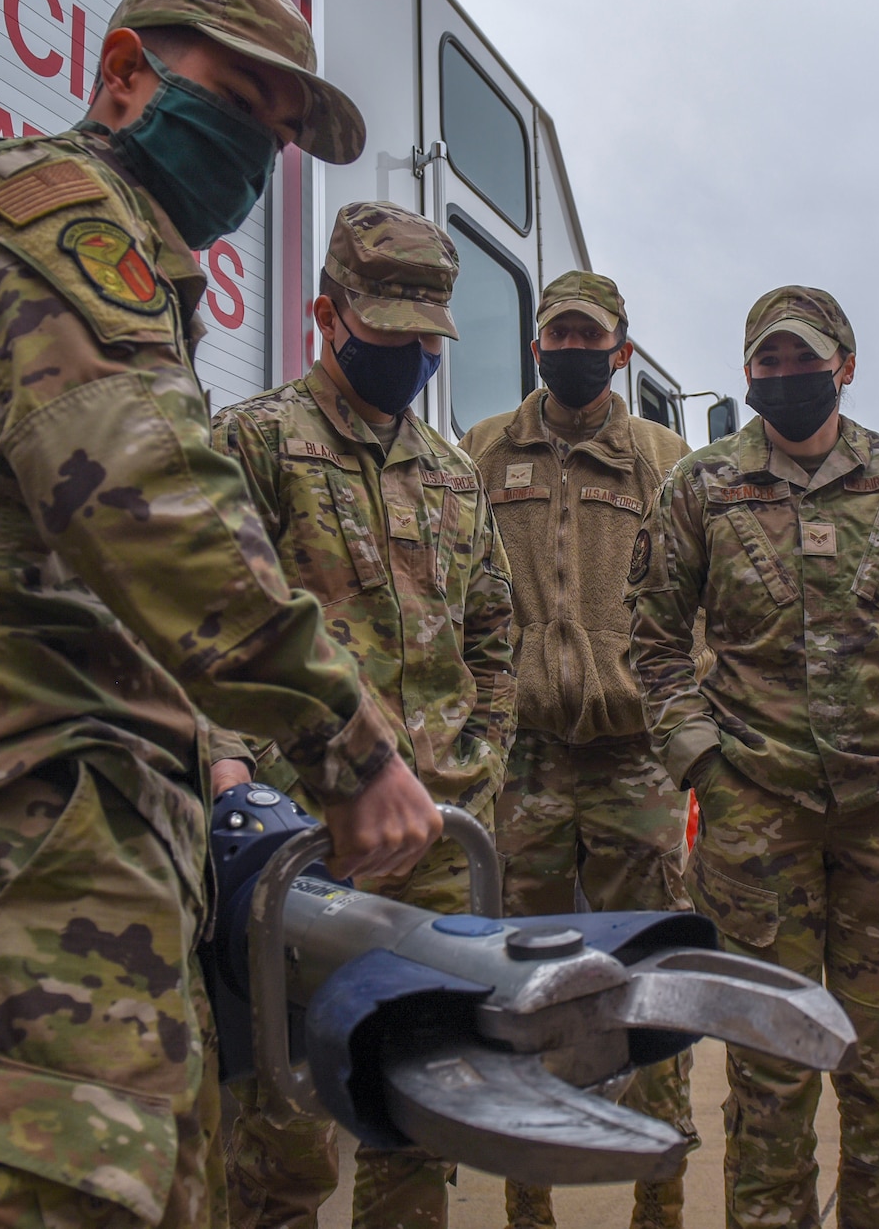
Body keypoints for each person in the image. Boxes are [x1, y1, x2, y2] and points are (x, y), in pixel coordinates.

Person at [0, 0, 442, 1228]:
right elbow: (139, 495)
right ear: (120, 76)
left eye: (277, 133)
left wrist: (212, 767)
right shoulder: (31, 201)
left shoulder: (148, 286)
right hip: (0, 819)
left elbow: (104, 577)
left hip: (97, 825)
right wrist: (348, 738)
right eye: (238, 102)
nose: (256, 151)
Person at [627, 286, 879, 1229]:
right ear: (748, 373)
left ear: (846, 365)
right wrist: (706, 766)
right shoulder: (700, 489)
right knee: (769, 1089)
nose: (786, 377)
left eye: (804, 359)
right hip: (758, 820)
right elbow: (654, 643)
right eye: (768, 363)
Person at [211, 199, 516, 1229]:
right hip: (300, 838)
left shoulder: (451, 473)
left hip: (435, 831)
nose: (407, 354)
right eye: (385, 332)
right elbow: (200, 626)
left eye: (424, 337)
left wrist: (485, 754)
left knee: (418, 1109)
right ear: (323, 313)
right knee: (282, 1124)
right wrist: (231, 776)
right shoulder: (255, 443)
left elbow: (490, 632)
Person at [459, 270, 698, 1229]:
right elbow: (460, 600)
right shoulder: (482, 452)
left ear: (621, 351)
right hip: (522, 765)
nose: (573, 350)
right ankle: (531, 1204)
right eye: (558, 335)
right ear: (537, 349)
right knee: (520, 990)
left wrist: (688, 734)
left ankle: (661, 1201)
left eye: (589, 337)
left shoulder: (664, 457)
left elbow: (697, 605)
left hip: (633, 759)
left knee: (650, 983)